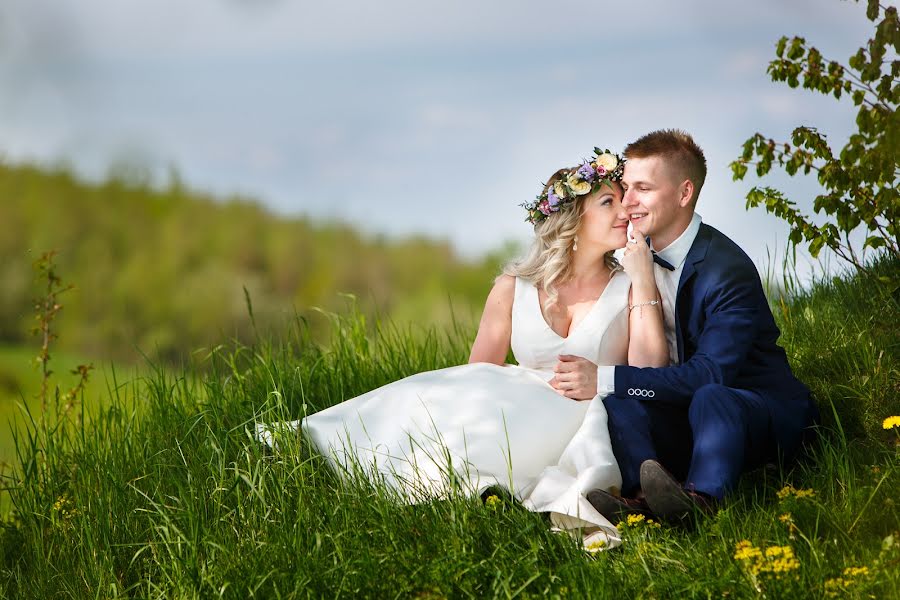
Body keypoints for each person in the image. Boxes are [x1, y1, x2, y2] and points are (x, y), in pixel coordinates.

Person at [256, 147, 668, 549]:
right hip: (518, 397)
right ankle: (316, 446)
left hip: (583, 412)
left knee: (494, 435)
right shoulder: (513, 288)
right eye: (608, 201)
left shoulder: (631, 284)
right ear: (572, 219)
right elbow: (474, 377)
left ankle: (463, 489)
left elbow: (651, 370)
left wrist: (644, 278)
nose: (624, 211)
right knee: (425, 395)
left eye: (623, 200)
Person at [576, 130, 820, 523]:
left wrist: (605, 376)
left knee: (708, 395)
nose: (628, 202)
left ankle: (701, 501)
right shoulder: (636, 258)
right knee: (620, 399)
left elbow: (713, 374)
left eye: (643, 188)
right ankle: (644, 498)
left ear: (684, 193)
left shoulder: (726, 270)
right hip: (687, 416)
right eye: (625, 187)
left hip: (750, 413)